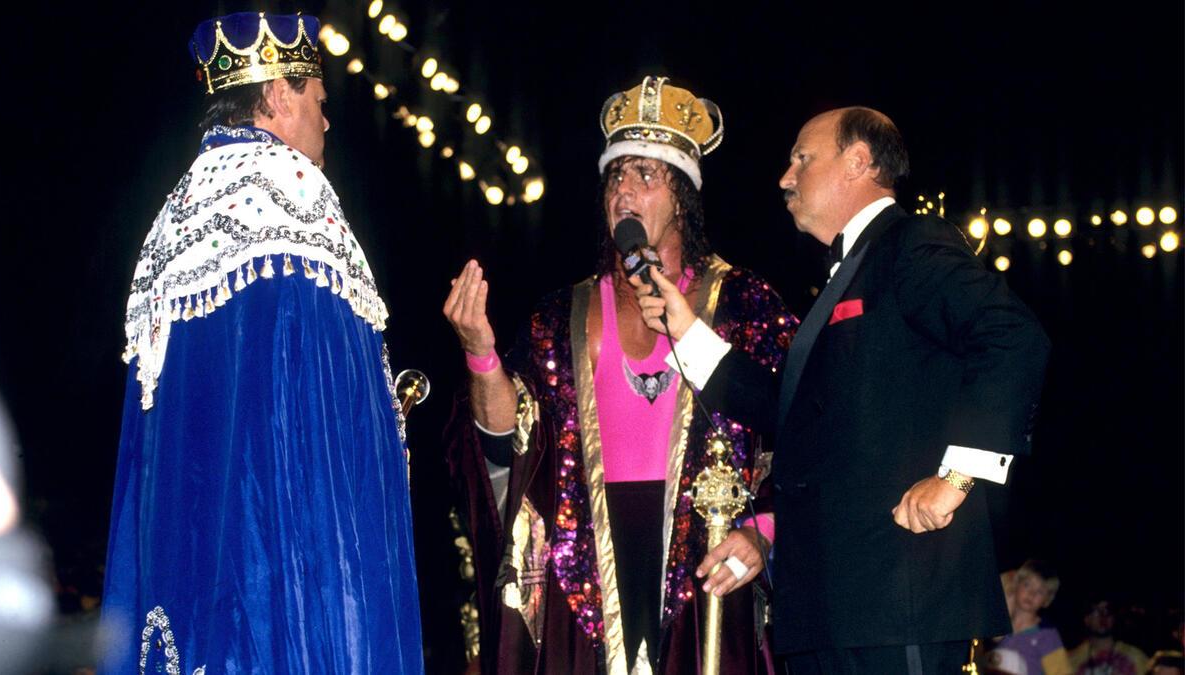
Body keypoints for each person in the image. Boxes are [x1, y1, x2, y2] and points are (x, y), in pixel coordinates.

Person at [632, 106, 1051, 673]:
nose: (786, 176)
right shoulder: (844, 272)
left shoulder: (911, 243)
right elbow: (791, 414)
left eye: (802, 158)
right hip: (827, 610)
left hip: (897, 600)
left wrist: (956, 477)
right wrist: (686, 332)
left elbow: (1013, 336)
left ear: (858, 161)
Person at [100, 13, 422, 673]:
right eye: (318, 101)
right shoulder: (295, 195)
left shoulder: (170, 220)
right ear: (278, 95)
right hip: (281, 591)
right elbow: (324, 429)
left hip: (188, 595)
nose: (326, 122)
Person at [443, 76, 797, 674]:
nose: (624, 190)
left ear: (682, 196)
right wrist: (481, 353)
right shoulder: (559, 317)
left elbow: (808, 426)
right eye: (614, 176)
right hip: (585, 577)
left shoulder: (743, 304)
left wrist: (764, 529)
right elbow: (511, 443)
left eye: (645, 174)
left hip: (706, 568)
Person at [994, 560, 1072, 674]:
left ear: (1047, 600)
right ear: (1016, 585)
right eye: (1027, 585)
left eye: (1040, 591)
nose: (1031, 593)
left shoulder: (1047, 636)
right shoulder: (1000, 629)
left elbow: (1061, 672)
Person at [1068, 598, 1150, 674]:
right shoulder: (1072, 660)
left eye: (1108, 610)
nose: (1103, 615)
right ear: (1086, 619)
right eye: (1096, 611)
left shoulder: (1135, 657)